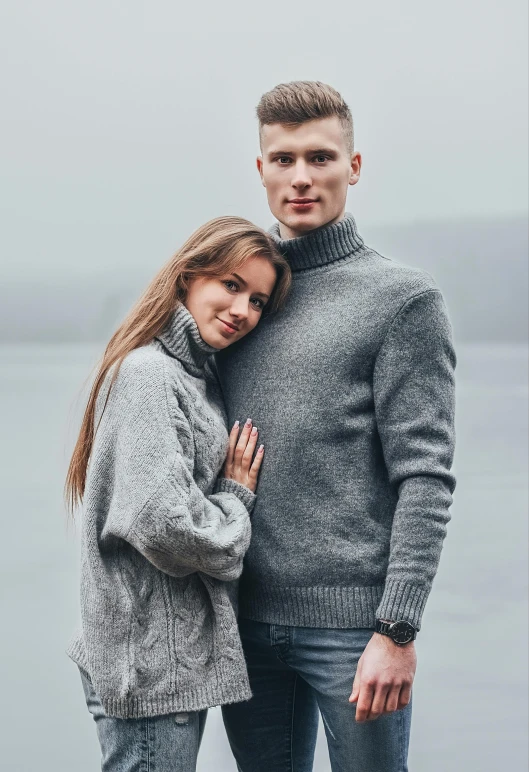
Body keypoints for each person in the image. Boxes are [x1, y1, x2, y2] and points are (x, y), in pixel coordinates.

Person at [217, 82, 457, 772]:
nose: (300, 177)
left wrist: (397, 629)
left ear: (352, 167)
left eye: (319, 157)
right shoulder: (235, 298)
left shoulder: (401, 300)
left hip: (355, 631)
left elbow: (425, 477)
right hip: (242, 622)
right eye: (283, 158)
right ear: (259, 169)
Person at [65, 216, 291, 772]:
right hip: (147, 663)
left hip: (160, 657)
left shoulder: (193, 373)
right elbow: (165, 525)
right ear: (189, 277)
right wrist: (237, 501)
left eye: (258, 301)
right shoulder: (150, 374)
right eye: (231, 286)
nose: (243, 311)